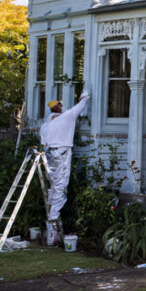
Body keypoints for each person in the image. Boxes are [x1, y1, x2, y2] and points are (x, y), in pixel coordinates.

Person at [39, 91, 90, 227]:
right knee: (61, 184)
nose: (62, 107)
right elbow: (79, 107)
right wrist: (85, 96)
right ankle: (53, 216)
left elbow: (42, 139)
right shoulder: (66, 117)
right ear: (56, 107)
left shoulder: (46, 123)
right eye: (60, 105)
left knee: (53, 181)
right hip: (62, 152)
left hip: (49, 153)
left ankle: (51, 209)